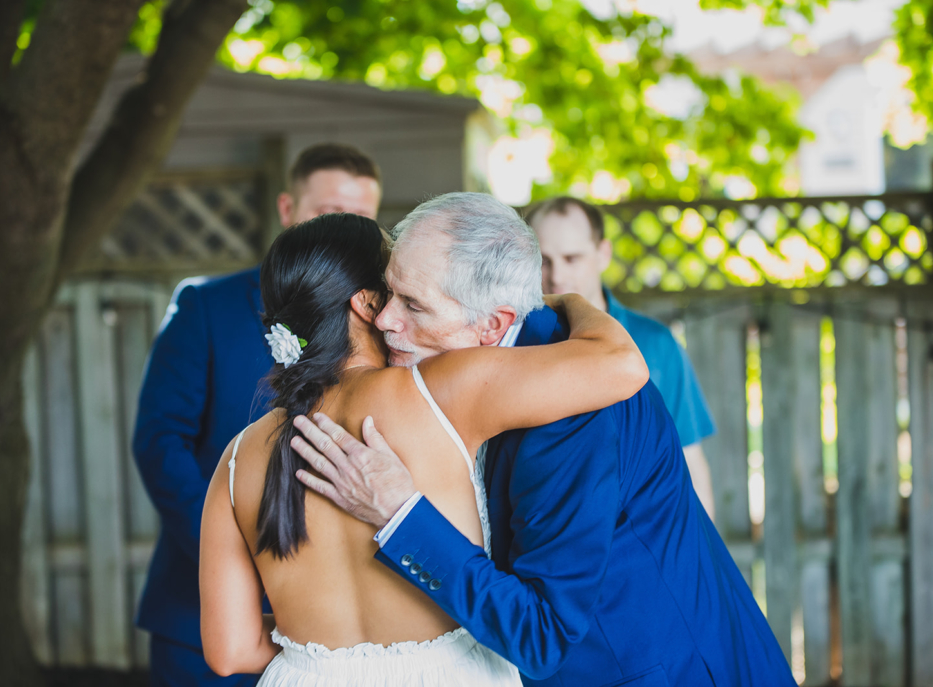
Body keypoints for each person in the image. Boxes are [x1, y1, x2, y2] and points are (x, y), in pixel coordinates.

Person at [290, 193, 796, 686]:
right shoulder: (481, 362)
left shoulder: (571, 409)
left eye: (414, 306)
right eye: (389, 291)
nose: (384, 320)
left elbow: (543, 635)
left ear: (494, 324)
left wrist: (399, 512)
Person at [198, 213, 648, 685]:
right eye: (392, 288)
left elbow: (231, 651)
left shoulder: (236, 458)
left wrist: (320, 645)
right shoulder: (442, 390)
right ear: (368, 303)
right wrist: (566, 300)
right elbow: (620, 365)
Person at [132, 143, 381, 687]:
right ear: (288, 209)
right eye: (327, 211)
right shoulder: (207, 307)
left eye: (360, 217)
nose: (342, 227)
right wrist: (232, 549)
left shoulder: (385, 324)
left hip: (336, 629)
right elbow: (159, 441)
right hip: (202, 616)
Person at [526, 196, 717, 518]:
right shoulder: (511, 344)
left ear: (603, 254)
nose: (557, 276)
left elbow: (690, 465)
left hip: (642, 539)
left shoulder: (656, 345)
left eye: (572, 258)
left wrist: (703, 563)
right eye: (544, 260)